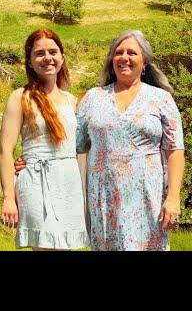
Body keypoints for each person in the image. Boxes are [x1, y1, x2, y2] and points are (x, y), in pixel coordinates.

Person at [16, 30, 185, 251]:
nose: (124, 57)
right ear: (111, 60)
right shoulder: (93, 98)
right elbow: (70, 145)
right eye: (118, 52)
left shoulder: (161, 99)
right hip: (103, 200)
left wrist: (173, 197)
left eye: (132, 52)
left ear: (144, 62)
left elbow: (175, 150)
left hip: (147, 199)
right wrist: (31, 158)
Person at [0, 29, 89, 250]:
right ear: (30, 62)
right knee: (45, 246)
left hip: (68, 184)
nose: (47, 58)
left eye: (53, 51)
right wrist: (9, 197)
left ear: (62, 57)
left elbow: (81, 150)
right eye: (39, 53)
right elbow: (5, 151)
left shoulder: (72, 101)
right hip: (36, 181)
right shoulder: (21, 97)